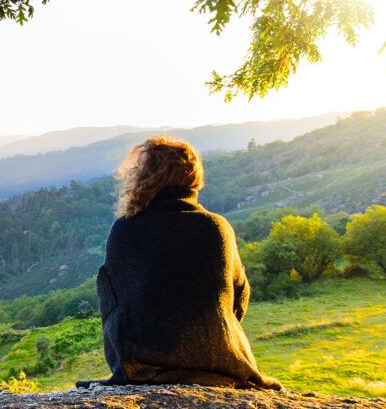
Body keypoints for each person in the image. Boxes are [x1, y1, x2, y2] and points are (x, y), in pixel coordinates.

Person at [76, 136, 281, 390]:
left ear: (143, 178)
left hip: (142, 368)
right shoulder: (218, 227)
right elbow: (240, 298)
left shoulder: (125, 230)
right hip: (223, 365)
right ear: (193, 178)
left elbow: (112, 304)